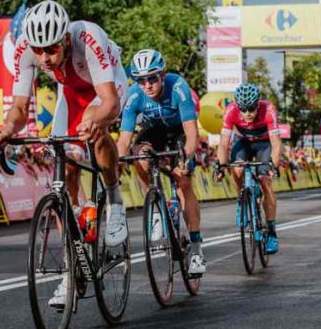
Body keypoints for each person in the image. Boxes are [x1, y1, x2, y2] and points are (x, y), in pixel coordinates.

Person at [0, 0, 127, 308]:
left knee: (94, 124)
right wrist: (6, 130)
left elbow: (109, 101)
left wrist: (97, 122)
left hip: (106, 85)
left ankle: (115, 201)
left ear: (65, 39)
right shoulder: (27, 50)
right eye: (39, 51)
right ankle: (72, 264)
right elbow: (20, 109)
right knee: (63, 158)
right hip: (72, 93)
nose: (45, 59)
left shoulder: (87, 37)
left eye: (51, 49)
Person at [116, 49, 206, 275]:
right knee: (141, 158)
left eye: (152, 78)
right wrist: (115, 164)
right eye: (141, 80)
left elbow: (191, 133)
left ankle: (196, 249)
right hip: (153, 131)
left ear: (162, 75)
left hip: (178, 131)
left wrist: (185, 156)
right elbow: (124, 140)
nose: (147, 85)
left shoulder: (178, 88)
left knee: (182, 179)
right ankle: (156, 210)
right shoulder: (134, 96)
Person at [215, 83, 282, 254]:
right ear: (238, 106)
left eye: (251, 108)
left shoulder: (269, 110)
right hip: (242, 142)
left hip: (263, 144)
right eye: (243, 109)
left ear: (258, 103)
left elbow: (276, 144)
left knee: (265, 181)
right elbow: (223, 143)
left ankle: (272, 232)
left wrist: (273, 165)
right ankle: (242, 200)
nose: (247, 114)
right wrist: (221, 166)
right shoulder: (230, 110)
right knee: (236, 169)